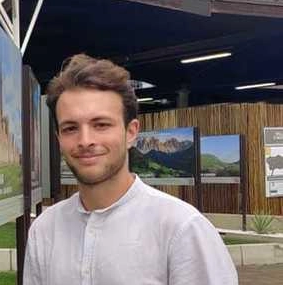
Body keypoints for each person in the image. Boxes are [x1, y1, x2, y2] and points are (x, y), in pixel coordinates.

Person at [23, 54, 238, 285]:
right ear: (58, 139)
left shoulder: (182, 230)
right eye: (70, 128)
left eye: (101, 125)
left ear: (132, 132)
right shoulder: (45, 230)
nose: (85, 140)